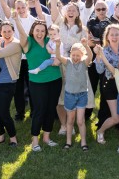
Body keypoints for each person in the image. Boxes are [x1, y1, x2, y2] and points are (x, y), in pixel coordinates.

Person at [23, 19, 62, 150]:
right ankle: (35, 140)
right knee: (39, 110)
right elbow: (23, 36)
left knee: (51, 109)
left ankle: (46, 137)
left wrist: (58, 59)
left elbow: (59, 55)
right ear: (32, 31)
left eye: (42, 31)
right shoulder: (28, 42)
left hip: (55, 79)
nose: (40, 33)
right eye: (37, 30)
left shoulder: (49, 41)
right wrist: (16, 19)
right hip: (37, 82)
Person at [57, 38, 94, 149]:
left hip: (82, 95)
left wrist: (86, 45)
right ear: (70, 54)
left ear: (82, 55)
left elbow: (91, 56)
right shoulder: (68, 62)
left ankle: (83, 142)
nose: (75, 58)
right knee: (70, 120)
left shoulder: (84, 63)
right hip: (70, 95)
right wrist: (58, 45)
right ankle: (68, 142)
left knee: (80, 120)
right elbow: (58, 57)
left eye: (78, 55)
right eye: (73, 55)